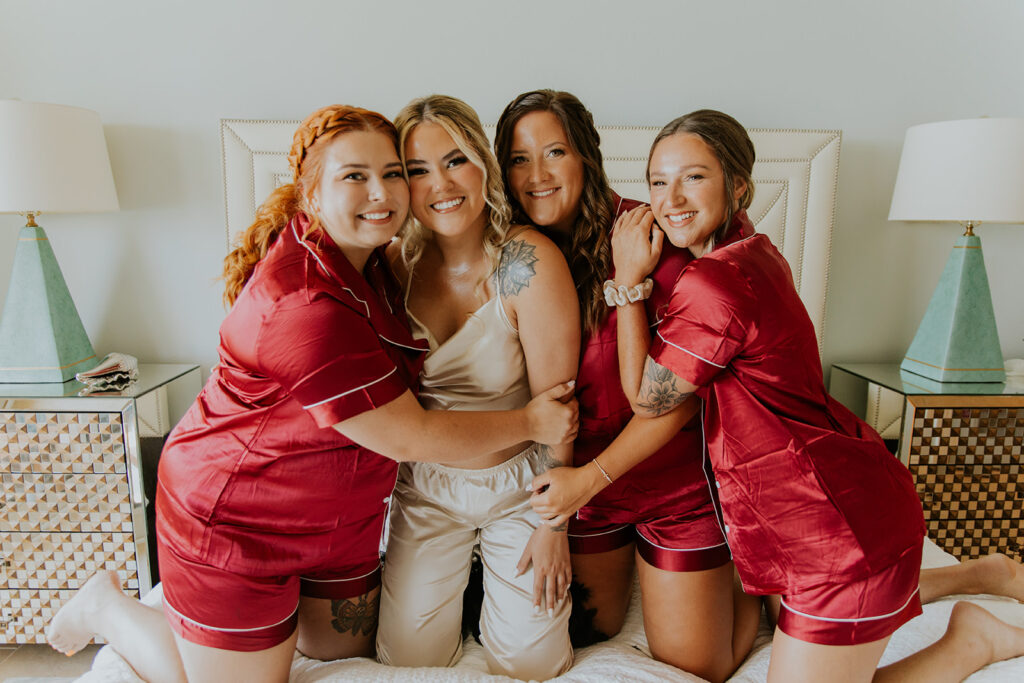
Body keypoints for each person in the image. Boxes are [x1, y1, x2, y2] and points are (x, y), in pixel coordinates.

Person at [45, 104, 577, 683]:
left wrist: (553, 521)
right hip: (241, 518)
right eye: (359, 175)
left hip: (338, 515)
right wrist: (530, 422)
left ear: (482, 166)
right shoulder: (320, 300)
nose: (387, 192)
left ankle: (243, 631)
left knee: (336, 650)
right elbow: (414, 435)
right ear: (311, 193)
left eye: (394, 173)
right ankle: (111, 609)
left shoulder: (375, 259)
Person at [575, 107, 1024, 682]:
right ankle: (972, 583)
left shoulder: (713, 284)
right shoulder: (754, 250)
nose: (670, 198)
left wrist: (627, 283)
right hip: (828, 505)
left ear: (739, 185)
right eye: (658, 182)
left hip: (836, 533)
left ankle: (975, 641)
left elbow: (645, 399)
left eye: (694, 177)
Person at [494, 90, 761, 682]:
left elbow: (680, 399)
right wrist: (559, 510)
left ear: (586, 155)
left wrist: (584, 483)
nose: (536, 176)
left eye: (554, 151)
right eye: (517, 159)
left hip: (673, 481)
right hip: (584, 489)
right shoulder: (508, 256)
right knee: (593, 627)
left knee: (699, 667)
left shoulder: (650, 234)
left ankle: (761, 582)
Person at [374, 94, 577, 680]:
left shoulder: (526, 261)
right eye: (416, 170)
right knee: (411, 660)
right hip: (428, 485)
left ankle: (492, 590)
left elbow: (559, 410)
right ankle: (463, 592)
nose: (441, 184)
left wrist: (552, 526)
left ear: (483, 162)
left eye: (456, 159)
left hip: (522, 485)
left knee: (533, 665)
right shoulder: (392, 266)